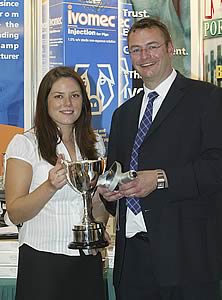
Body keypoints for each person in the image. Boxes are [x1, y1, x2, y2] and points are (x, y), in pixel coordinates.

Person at [98, 18, 222, 300]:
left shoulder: (207, 99)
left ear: (170, 48)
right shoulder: (123, 114)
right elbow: (115, 175)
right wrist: (108, 191)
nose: (144, 56)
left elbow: (217, 166)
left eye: (152, 47)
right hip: (132, 262)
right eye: (136, 50)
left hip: (187, 260)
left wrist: (161, 179)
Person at [5, 66, 109, 300]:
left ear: (84, 100)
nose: (68, 103)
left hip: (86, 259)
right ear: (45, 101)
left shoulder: (94, 144)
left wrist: (100, 203)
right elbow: (15, 213)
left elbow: (97, 212)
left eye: (75, 95)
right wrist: (49, 186)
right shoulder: (25, 144)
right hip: (43, 263)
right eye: (58, 96)